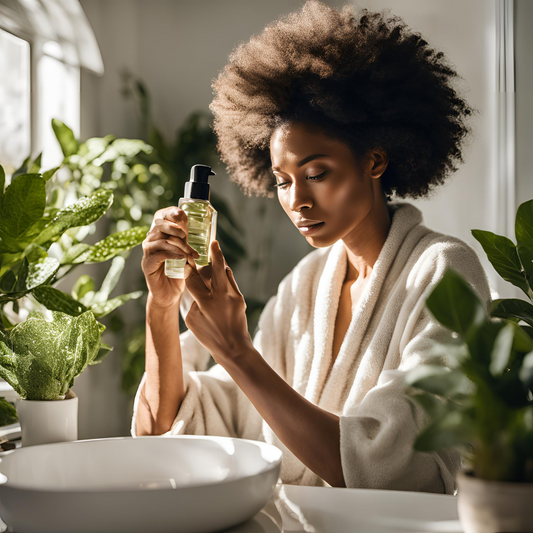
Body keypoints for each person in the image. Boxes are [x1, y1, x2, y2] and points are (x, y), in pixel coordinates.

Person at [132, 0, 492, 493]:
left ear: (375, 160)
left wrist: (237, 351)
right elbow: (187, 425)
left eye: (317, 174)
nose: (297, 201)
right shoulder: (306, 285)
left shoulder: (444, 270)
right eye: (282, 181)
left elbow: (397, 464)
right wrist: (161, 310)